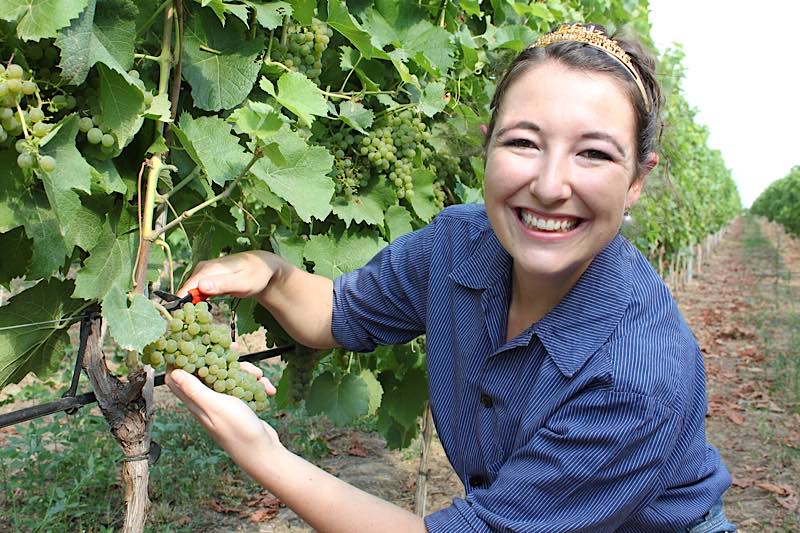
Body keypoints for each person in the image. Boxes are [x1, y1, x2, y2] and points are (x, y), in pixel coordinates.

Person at [166, 22, 736, 532]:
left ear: (638, 178)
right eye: (523, 143)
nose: (549, 184)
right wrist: (271, 275)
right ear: (487, 144)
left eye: (593, 154)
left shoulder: (640, 374)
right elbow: (342, 311)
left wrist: (264, 453)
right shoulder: (459, 244)